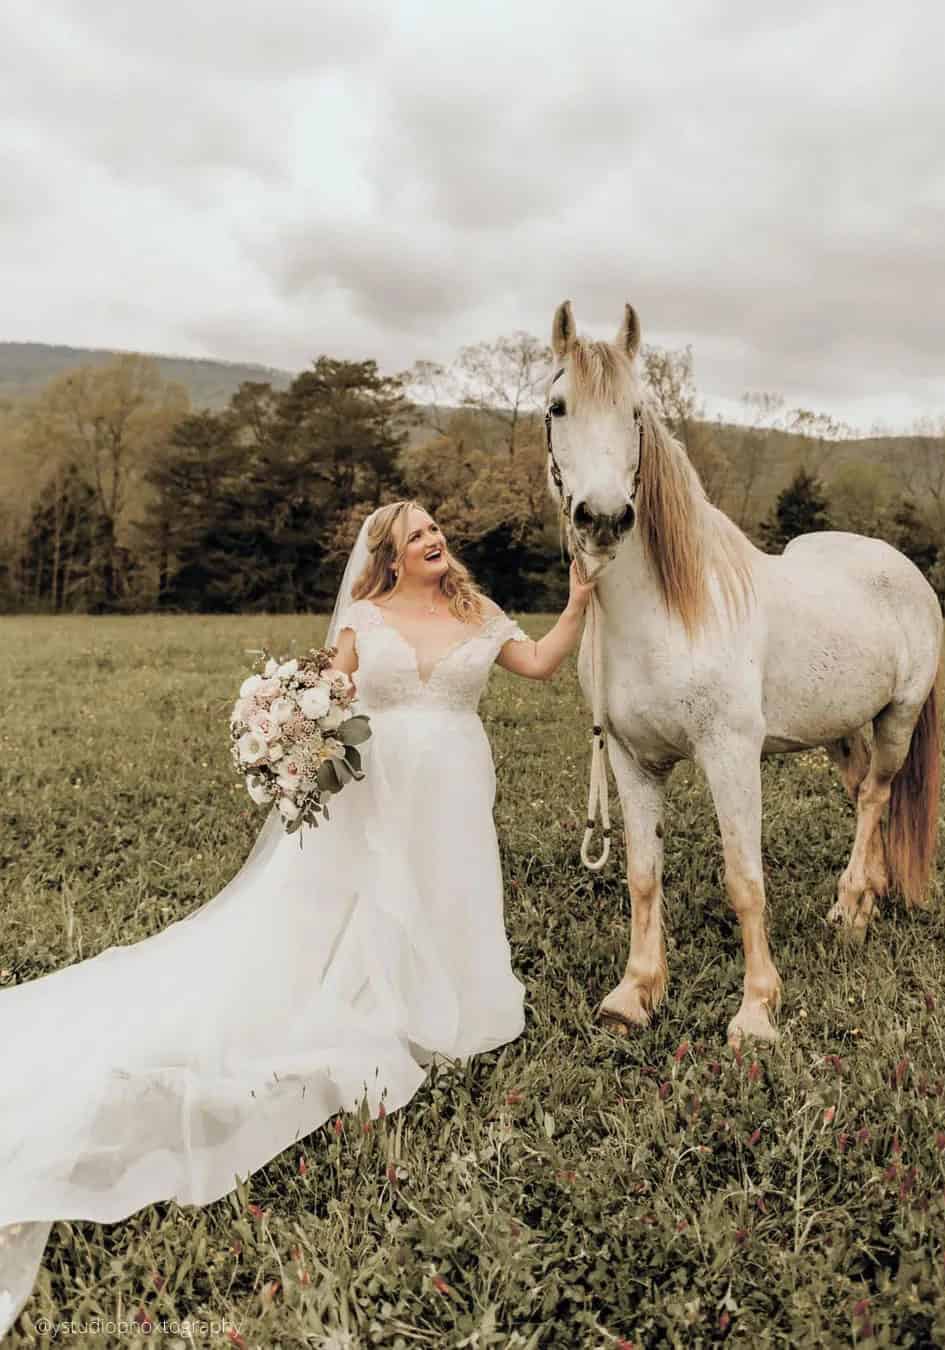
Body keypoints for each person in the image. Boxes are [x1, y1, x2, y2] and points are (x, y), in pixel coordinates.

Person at [0, 500, 595, 1339]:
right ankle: (375, 991)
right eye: (416, 533)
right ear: (388, 553)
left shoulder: (479, 611)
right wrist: (286, 722)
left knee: (452, 887)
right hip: (378, 789)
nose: (434, 539)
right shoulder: (365, 615)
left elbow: (535, 665)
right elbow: (326, 689)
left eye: (435, 529)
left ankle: (453, 989)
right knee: (365, 900)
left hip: (456, 783)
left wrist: (575, 603)